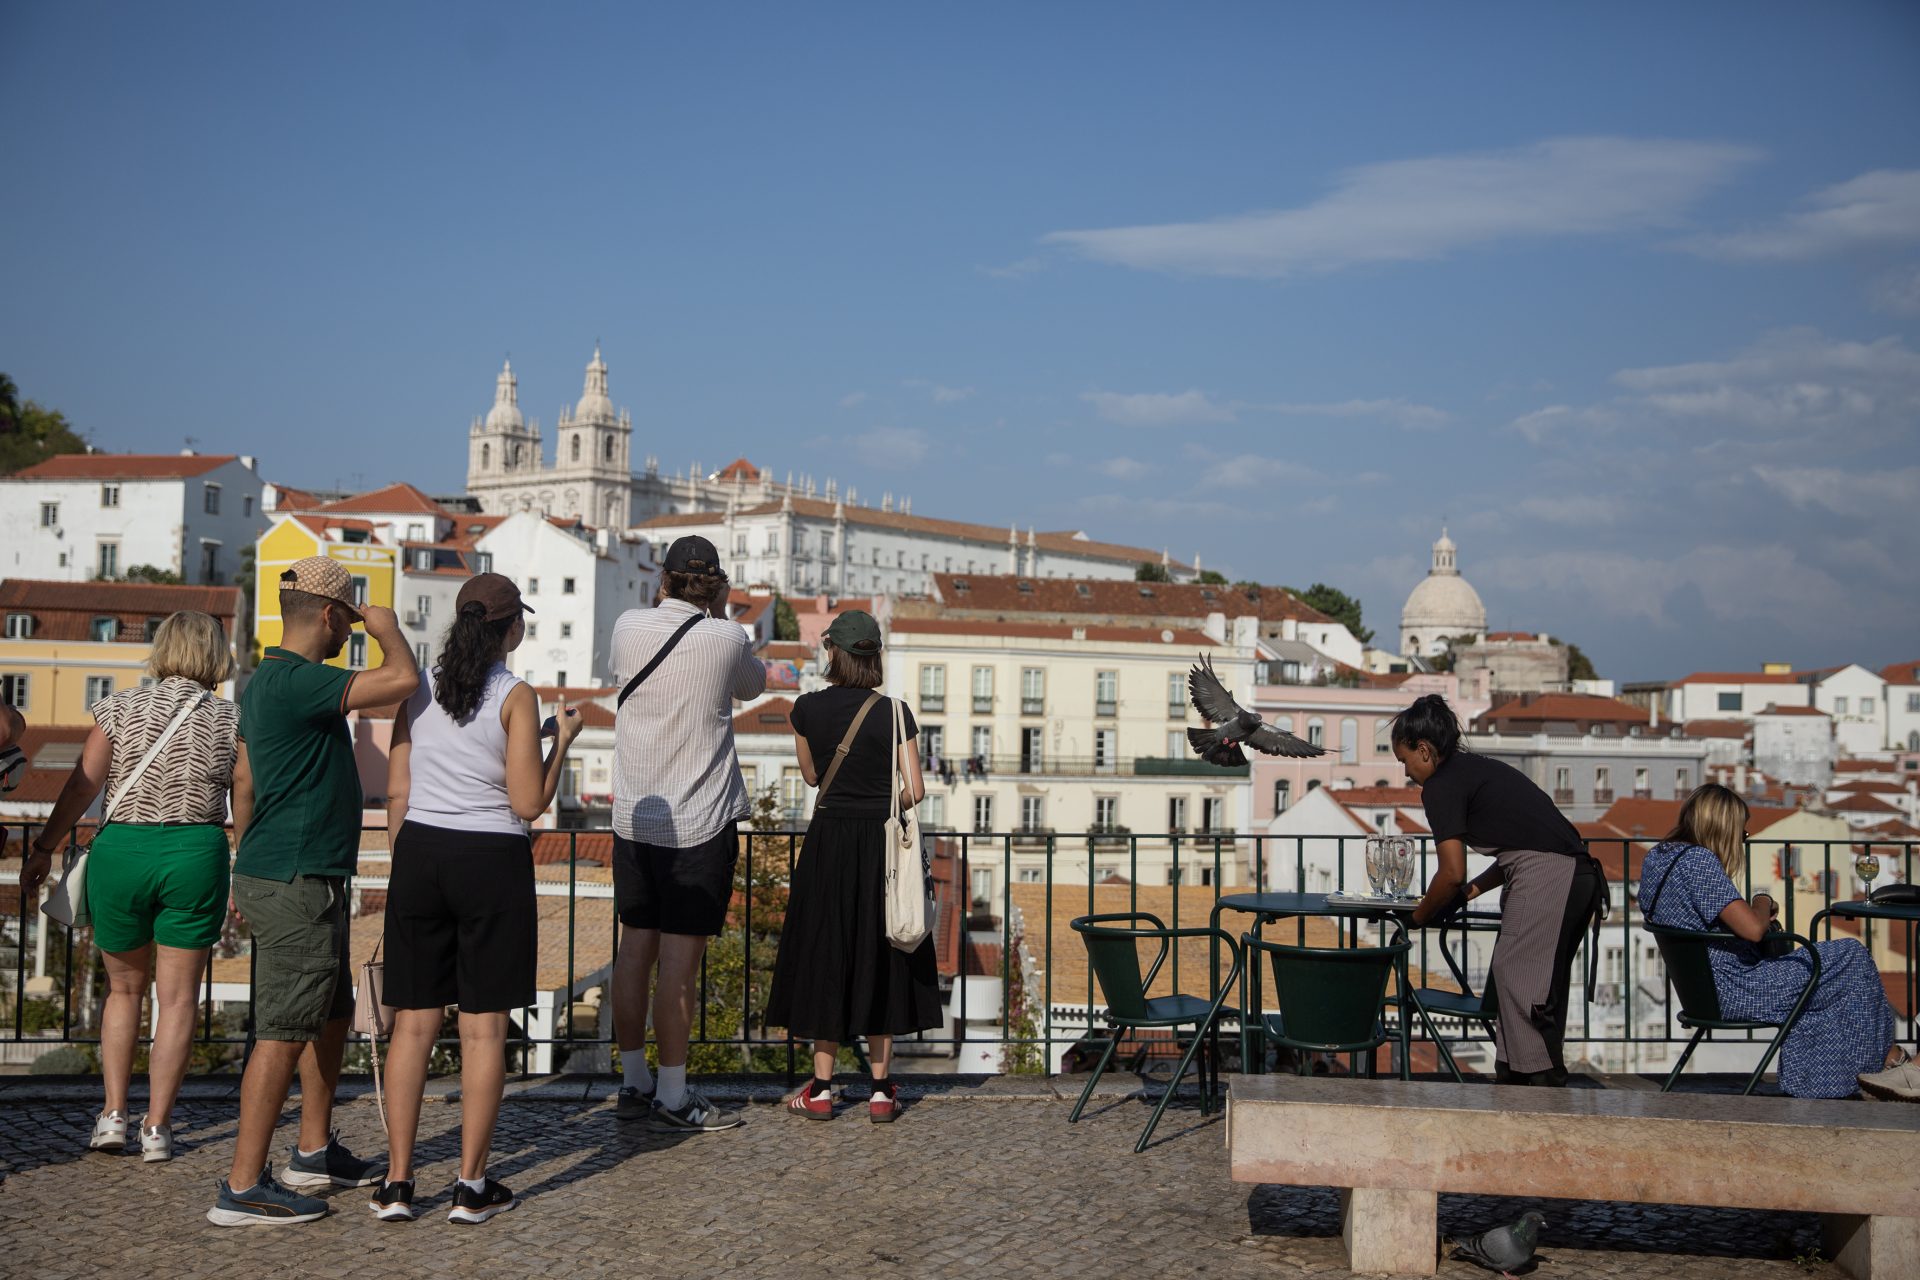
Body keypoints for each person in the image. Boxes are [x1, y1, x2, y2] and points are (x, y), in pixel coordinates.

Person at [209, 557, 419, 1227]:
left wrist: (250, 856)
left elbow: (243, 779)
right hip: (298, 877)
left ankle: (313, 1149)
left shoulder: (269, 681)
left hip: (297, 870)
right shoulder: (299, 680)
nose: (351, 630)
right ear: (331, 616)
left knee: (327, 1011)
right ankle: (243, 1187)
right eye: (350, 618)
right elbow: (402, 681)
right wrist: (387, 630)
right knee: (280, 1030)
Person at [371, 573, 583, 1223]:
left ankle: (399, 1184)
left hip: (421, 854)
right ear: (511, 628)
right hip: (490, 859)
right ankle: (469, 1185)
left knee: (412, 1024)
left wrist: (408, 862)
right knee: (484, 1029)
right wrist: (562, 744)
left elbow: (397, 792)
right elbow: (527, 803)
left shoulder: (419, 688)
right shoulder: (517, 695)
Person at [20, 612, 240, 1163]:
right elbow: (247, 797)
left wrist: (44, 847)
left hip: (123, 854)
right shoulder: (230, 717)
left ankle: (113, 1115)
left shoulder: (119, 707)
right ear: (216, 655)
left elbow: (81, 784)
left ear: (162, 649)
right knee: (179, 998)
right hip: (195, 854)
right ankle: (158, 1127)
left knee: (124, 991)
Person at [608, 535, 765, 1131]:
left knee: (635, 952)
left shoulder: (627, 626)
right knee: (678, 964)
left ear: (663, 580)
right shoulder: (726, 636)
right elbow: (751, 686)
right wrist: (721, 614)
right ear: (717, 586)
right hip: (698, 821)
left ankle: (632, 1082)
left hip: (635, 819)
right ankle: (674, 1097)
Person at [765, 610, 940, 1122]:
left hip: (828, 845)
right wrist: (881, 804)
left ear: (834, 653)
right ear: (874, 656)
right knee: (883, 952)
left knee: (827, 953)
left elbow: (813, 776)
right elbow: (917, 789)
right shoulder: (895, 712)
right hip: (882, 846)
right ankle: (882, 1090)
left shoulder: (805, 710)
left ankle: (820, 1089)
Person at [1640, 783, 1908, 1100]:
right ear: (1722, 827)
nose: (1743, 839)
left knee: (1832, 974)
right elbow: (1753, 929)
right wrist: (1762, 901)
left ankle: (1848, 1071)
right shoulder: (1698, 863)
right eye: (1741, 832)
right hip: (1736, 990)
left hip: (1703, 989)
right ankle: (1881, 1065)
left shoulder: (1660, 857)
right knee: (1851, 955)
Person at [1394, 694, 1604, 1086]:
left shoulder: (1440, 785)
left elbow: (1451, 872)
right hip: (1575, 876)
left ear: (1423, 750)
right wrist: (1473, 891)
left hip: (1549, 875)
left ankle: (1540, 1078)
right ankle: (1516, 1074)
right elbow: (1518, 846)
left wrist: (1419, 916)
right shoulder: (1474, 769)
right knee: (1536, 980)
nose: (1406, 772)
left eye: (1404, 760)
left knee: (1521, 978)